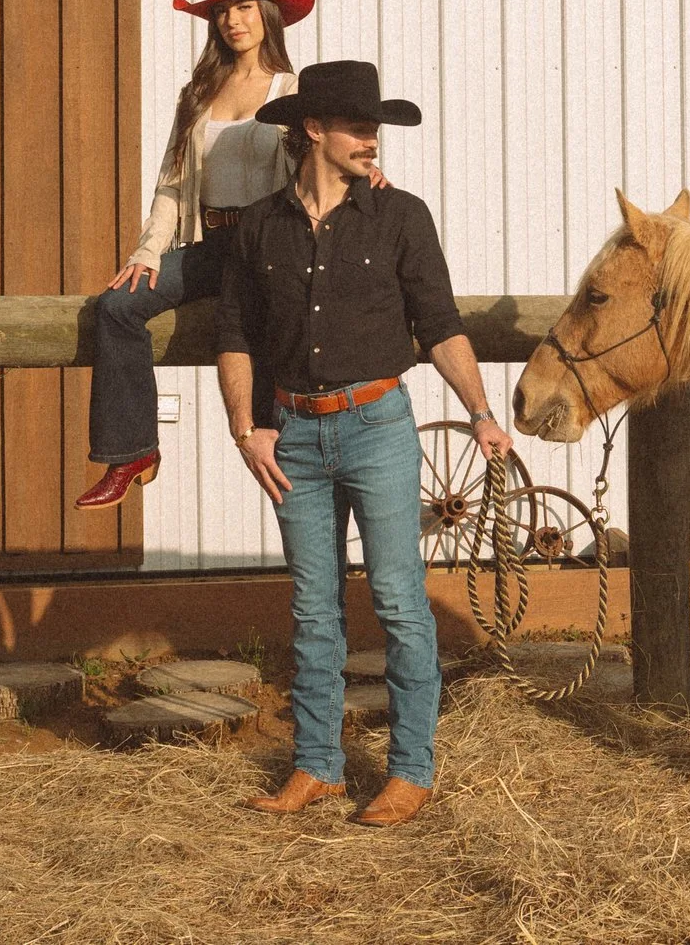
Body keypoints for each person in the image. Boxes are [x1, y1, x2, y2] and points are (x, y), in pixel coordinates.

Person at [216, 60, 510, 828]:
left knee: (399, 603)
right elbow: (237, 335)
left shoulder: (400, 216)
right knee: (313, 609)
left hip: (378, 425)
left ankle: (412, 769)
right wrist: (245, 429)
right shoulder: (257, 228)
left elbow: (439, 323)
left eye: (376, 127)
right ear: (312, 129)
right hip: (295, 436)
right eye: (357, 126)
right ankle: (317, 764)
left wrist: (480, 411)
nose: (371, 140)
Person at [74, 0, 315, 510]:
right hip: (210, 244)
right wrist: (148, 251)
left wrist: (366, 169)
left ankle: (295, 463)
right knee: (116, 306)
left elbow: (327, 153)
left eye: (245, 7)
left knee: (268, 341)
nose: (234, 20)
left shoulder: (293, 87)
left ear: (268, 15)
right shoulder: (197, 94)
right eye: (224, 11)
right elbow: (170, 182)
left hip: (269, 247)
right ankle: (132, 451)